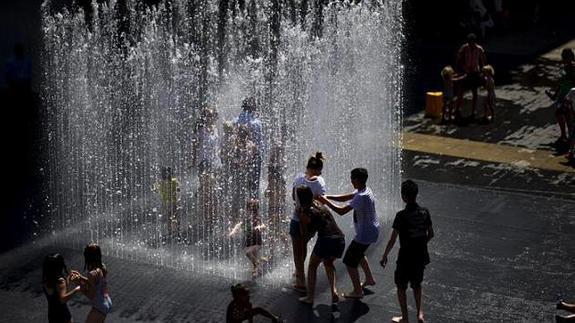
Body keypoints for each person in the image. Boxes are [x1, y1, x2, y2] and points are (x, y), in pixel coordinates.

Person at [380, 180, 434, 323]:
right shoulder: (425, 212)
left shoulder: (401, 216)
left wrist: (385, 255)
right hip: (420, 255)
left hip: (405, 257)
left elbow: (392, 239)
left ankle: (405, 317)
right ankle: (420, 314)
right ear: (416, 194)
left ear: (403, 196)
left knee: (401, 286)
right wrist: (422, 244)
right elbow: (431, 234)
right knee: (417, 285)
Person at [323, 168, 379, 299]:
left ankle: (357, 291)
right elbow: (347, 197)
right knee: (359, 254)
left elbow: (341, 211)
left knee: (349, 261)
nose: (351, 181)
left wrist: (326, 202)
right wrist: (328, 197)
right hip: (371, 230)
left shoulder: (361, 196)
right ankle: (369, 278)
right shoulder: (365, 190)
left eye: (352, 178)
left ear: (358, 180)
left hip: (364, 235)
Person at [296, 186, 345, 305]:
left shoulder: (305, 211)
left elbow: (307, 234)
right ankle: (333, 292)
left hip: (326, 240)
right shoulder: (318, 204)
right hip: (340, 238)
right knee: (328, 263)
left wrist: (301, 221)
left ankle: (310, 298)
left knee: (312, 266)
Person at [290, 152, 327, 291]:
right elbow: (321, 201)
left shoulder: (299, 178)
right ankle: (299, 272)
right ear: (318, 169)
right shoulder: (320, 181)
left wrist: (299, 206)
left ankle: (300, 278)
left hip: (296, 217)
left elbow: (293, 196)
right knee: (303, 244)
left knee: (296, 250)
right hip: (311, 221)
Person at [70, 243, 112, 323]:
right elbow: (96, 283)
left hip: (99, 306)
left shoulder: (91, 274)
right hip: (107, 301)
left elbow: (91, 295)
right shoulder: (102, 267)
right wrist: (81, 277)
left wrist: (78, 283)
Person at [196, 108, 221, 233]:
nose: (212, 118)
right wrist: (193, 160)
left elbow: (217, 146)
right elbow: (195, 145)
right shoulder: (201, 130)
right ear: (205, 117)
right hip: (204, 163)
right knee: (206, 191)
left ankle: (213, 218)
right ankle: (206, 219)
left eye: (213, 116)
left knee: (214, 191)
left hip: (215, 163)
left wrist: (220, 156)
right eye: (210, 116)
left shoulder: (215, 129)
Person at [234, 97, 264, 198]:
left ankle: (239, 202)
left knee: (240, 182)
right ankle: (253, 203)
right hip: (254, 155)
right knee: (254, 183)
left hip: (240, 154)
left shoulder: (236, 120)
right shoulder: (257, 122)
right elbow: (260, 142)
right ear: (253, 107)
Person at [546, 48, 575, 148]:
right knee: (560, 113)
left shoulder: (573, 69)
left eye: (566, 57)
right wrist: (555, 94)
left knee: (568, 117)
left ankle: (569, 139)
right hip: (563, 96)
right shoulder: (564, 68)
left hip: (570, 97)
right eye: (564, 57)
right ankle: (564, 135)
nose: (564, 59)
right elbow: (561, 83)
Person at [455, 33, 487, 121]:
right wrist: (461, 69)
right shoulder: (465, 48)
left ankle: (473, 110)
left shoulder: (479, 49)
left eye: (471, 42)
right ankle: (457, 109)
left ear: (474, 42)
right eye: (469, 42)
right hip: (467, 71)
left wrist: (483, 72)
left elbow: (483, 60)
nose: (470, 44)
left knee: (475, 92)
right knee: (461, 90)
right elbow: (459, 58)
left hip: (475, 72)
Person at [42, 253, 81, 323]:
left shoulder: (46, 280)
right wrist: (77, 289)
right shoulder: (60, 281)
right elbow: (62, 299)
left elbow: (59, 291)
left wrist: (68, 279)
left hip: (52, 315)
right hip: (63, 315)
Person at [265, 143, 288, 252]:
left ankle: (275, 250)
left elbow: (271, 187)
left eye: (274, 151)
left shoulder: (275, 171)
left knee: (274, 228)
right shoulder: (279, 171)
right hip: (275, 205)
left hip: (276, 206)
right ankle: (279, 249)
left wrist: (269, 191)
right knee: (275, 228)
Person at [155, 166, 180, 241]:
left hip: (166, 202)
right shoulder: (174, 181)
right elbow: (178, 189)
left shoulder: (159, 183)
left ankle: (170, 232)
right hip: (174, 202)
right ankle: (177, 231)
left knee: (169, 217)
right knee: (175, 216)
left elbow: (155, 190)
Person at [244, 199, 265, 278]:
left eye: (253, 208)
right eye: (249, 208)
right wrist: (234, 230)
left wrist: (259, 227)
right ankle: (256, 270)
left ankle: (257, 265)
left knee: (248, 253)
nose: (251, 210)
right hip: (249, 241)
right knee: (254, 256)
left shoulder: (257, 217)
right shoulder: (246, 217)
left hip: (257, 241)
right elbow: (240, 224)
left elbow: (263, 225)